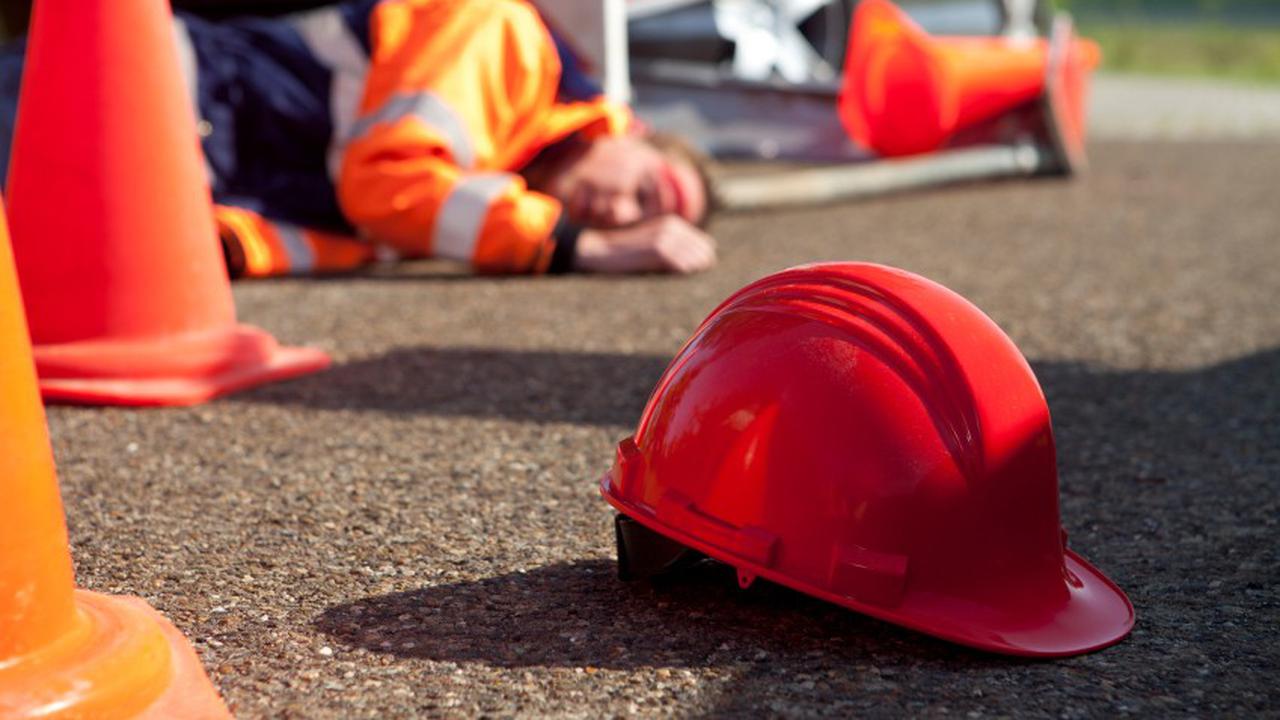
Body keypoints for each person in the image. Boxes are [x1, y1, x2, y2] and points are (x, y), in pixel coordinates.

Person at [0, 0, 717, 276]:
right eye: (646, 190)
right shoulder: (508, 39)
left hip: (167, 176)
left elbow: (347, 232)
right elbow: (384, 185)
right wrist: (569, 246)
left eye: (641, 219)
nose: (621, 213)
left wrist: (215, 248)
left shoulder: (494, 184)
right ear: (632, 129)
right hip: (139, 96)